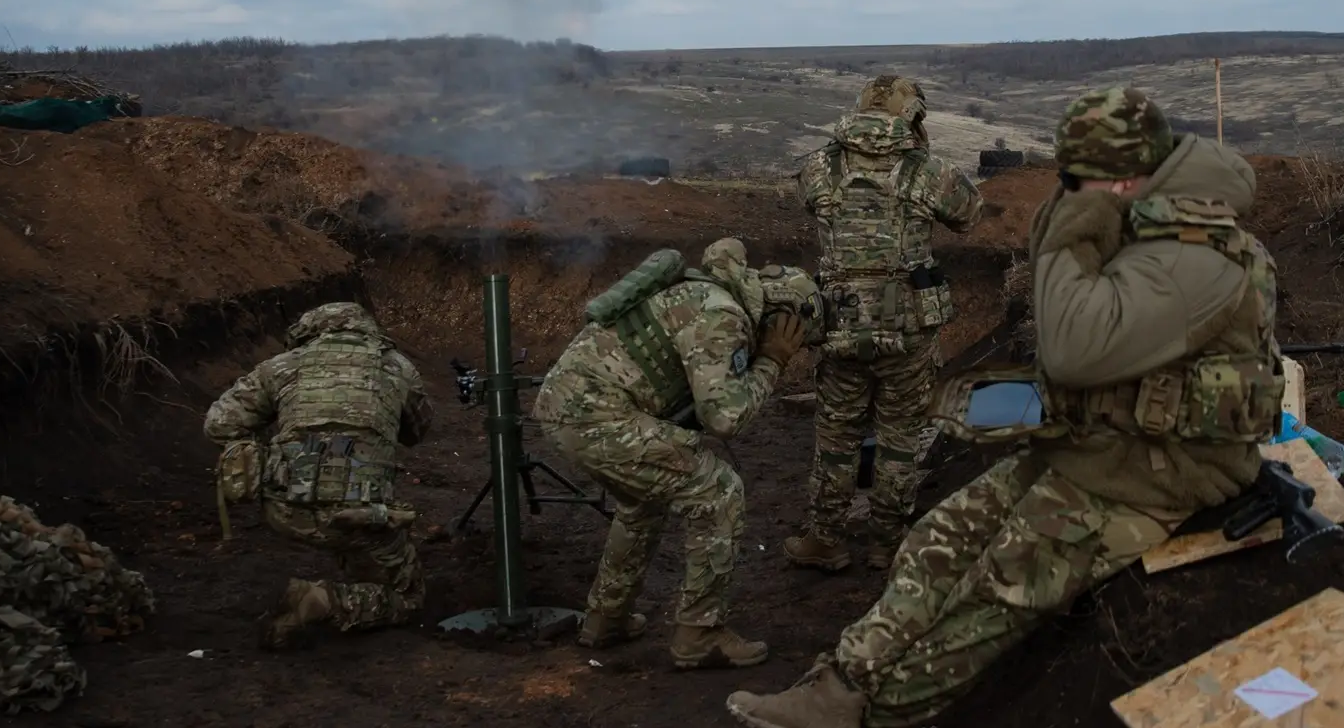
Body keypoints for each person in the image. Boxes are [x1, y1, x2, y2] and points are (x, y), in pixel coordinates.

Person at [726, 85, 1284, 728]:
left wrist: (1077, 221)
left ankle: (882, 713)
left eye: (1086, 175)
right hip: (1102, 448)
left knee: (996, 586)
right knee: (934, 539)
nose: (1075, 187)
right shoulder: (1146, 226)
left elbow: (1074, 350)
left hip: (1160, 472)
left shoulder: (1197, 252)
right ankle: (840, 685)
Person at [532, 238, 827, 670]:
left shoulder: (706, 290)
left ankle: (605, 620)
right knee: (719, 493)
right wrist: (773, 362)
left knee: (643, 502)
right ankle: (699, 633)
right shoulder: (722, 314)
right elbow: (726, 418)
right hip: (596, 418)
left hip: (570, 407)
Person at [784, 75, 984, 574]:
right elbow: (969, 214)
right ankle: (886, 542)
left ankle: (825, 537)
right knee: (900, 437)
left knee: (836, 435)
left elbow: (809, 199)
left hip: (839, 324)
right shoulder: (925, 171)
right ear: (911, 114)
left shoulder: (818, 166)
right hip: (907, 327)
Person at [202, 302, 434, 651]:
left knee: (351, 541)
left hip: (285, 509)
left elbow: (219, 423)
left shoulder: (281, 366)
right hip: (358, 516)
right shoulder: (398, 368)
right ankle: (325, 601)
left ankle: (338, 581)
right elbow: (417, 431)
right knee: (409, 596)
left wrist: (269, 449)